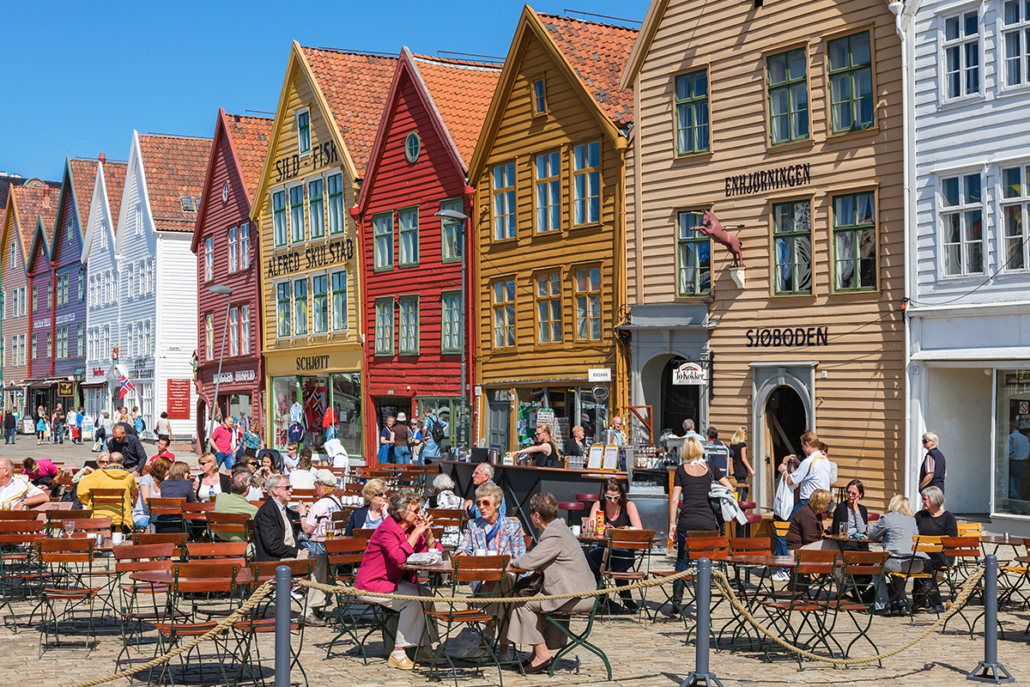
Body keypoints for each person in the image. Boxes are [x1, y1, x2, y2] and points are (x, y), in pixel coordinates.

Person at [506, 492, 595, 674]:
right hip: (576, 590)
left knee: (523, 603)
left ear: (536, 516)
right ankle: (534, 654)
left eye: (530, 512)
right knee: (529, 598)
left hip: (577, 595)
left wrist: (512, 562)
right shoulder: (559, 528)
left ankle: (542, 654)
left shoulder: (554, 534)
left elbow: (528, 561)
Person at [355, 489, 440, 670]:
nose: (420, 514)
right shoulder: (388, 528)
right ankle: (399, 652)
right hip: (372, 584)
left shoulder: (410, 529)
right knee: (413, 601)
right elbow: (398, 558)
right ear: (402, 514)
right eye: (415, 511)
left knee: (426, 594)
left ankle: (423, 647)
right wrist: (418, 532)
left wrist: (429, 537)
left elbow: (430, 555)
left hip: (392, 582)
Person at [666, 436, 733, 614]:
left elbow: (674, 499)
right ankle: (704, 601)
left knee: (682, 561)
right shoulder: (711, 468)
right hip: (708, 524)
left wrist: (672, 523)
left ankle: (677, 602)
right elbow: (730, 488)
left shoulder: (681, 470)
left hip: (687, 522)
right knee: (706, 563)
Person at [775, 431, 835, 570]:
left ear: (807, 445)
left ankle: (784, 568)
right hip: (822, 502)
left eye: (802, 445)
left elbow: (791, 481)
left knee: (781, 531)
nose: (802, 448)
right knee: (805, 533)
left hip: (807, 502)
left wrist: (784, 470)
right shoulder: (824, 461)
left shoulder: (808, 462)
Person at [586, 478, 643, 612]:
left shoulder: (628, 506)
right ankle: (603, 597)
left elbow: (640, 531)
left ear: (621, 495)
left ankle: (627, 599)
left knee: (617, 565)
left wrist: (624, 531)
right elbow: (591, 527)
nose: (612, 501)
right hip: (603, 548)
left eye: (616, 497)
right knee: (589, 561)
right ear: (604, 493)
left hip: (624, 550)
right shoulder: (598, 505)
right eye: (609, 497)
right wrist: (600, 528)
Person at [868, 495, 926, 614]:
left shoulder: (887, 518)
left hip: (897, 562)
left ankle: (883, 604)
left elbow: (873, 535)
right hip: (917, 563)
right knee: (898, 569)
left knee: (876, 568)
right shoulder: (912, 519)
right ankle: (902, 603)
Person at [301, 469, 345, 626]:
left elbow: (307, 529)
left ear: (320, 485)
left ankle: (308, 612)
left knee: (314, 574)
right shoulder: (337, 502)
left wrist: (302, 514)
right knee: (325, 575)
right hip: (332, 546)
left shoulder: (319, 505)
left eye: (316, 485)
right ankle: (318, 610)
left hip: (318, 547)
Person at [914, 486, 957, 612]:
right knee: (919, 560)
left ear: (934, 499)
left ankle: (936, 603)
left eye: (925, 499)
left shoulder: (948, 517)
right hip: (922, 553)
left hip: (943, 555)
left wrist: (934, 546)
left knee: (925, 562)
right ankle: (920, 599)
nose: (923, 501)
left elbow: (952, 542)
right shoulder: (920, 516)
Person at [254, 474, 309, 562]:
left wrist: (305, 550)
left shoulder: (284, 509)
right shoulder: (266, 512)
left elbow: (292, 541)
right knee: (317, 562)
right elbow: (272, 545)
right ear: (275, 490)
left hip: (287, 556)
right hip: (274, 560)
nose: (291, 490)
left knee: (319, 557)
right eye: (287, 488)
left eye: (291, 487)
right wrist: (298, 552)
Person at [77, 452, 137, 529]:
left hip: (97, 514)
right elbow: (133, 493)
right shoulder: (129, 477)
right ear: (122, 462)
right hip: (121, 517)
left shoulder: (96, 474)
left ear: (109, 462)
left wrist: (89, 501)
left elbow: (81, 492)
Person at [213, 470, 260, 541]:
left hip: (220, 542)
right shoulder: (253, 510)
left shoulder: (220, 497)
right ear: (247, 489)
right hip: (243, 545)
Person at [830, 479, 870, 551]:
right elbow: (840, 531)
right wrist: (855, 531)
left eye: (853, 493)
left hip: (860, 543)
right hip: (845, 544)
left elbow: (862, 530)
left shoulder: (862, 509)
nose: (850, 495)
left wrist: (856, 510)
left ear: (860, 495)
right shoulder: (841, 508)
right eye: (848, 492)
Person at [133, 455, 171, 529]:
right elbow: (147, 501)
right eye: (168, 469)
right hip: (143, 515)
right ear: (161, 469)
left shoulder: (166, 482)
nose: (170, 472)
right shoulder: (146, 479)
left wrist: (167, 484)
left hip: (160, 515)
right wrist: (161, 500)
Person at [1008, 424, 1030, 501]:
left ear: (1012, 427)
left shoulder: (1011, 437)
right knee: (1016, 486)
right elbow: (1028, 452)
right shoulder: (1025, 438)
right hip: (1022, 463)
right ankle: (1016, 508)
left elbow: (1007, 452)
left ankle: (1022, 504)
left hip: (1013, 463)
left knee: (1011, 488)